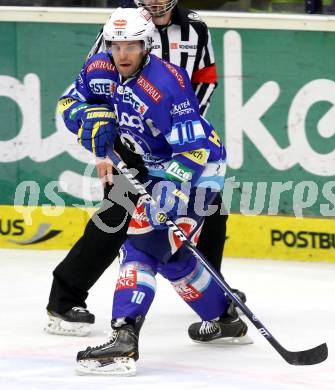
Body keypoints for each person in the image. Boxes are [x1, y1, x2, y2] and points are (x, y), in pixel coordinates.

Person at [57, 6, 252, 375]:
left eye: (131, 44)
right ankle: (223, 317)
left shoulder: (167, 84)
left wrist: (171, 191)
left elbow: (195, 149)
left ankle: (124, 339)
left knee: (140, 246)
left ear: (146, 45)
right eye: (116, 45)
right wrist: (86, 117)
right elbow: (69, 102)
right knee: (170, 257)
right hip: (151, 166)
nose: (122, 53)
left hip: (197, 170)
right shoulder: (100, 68)